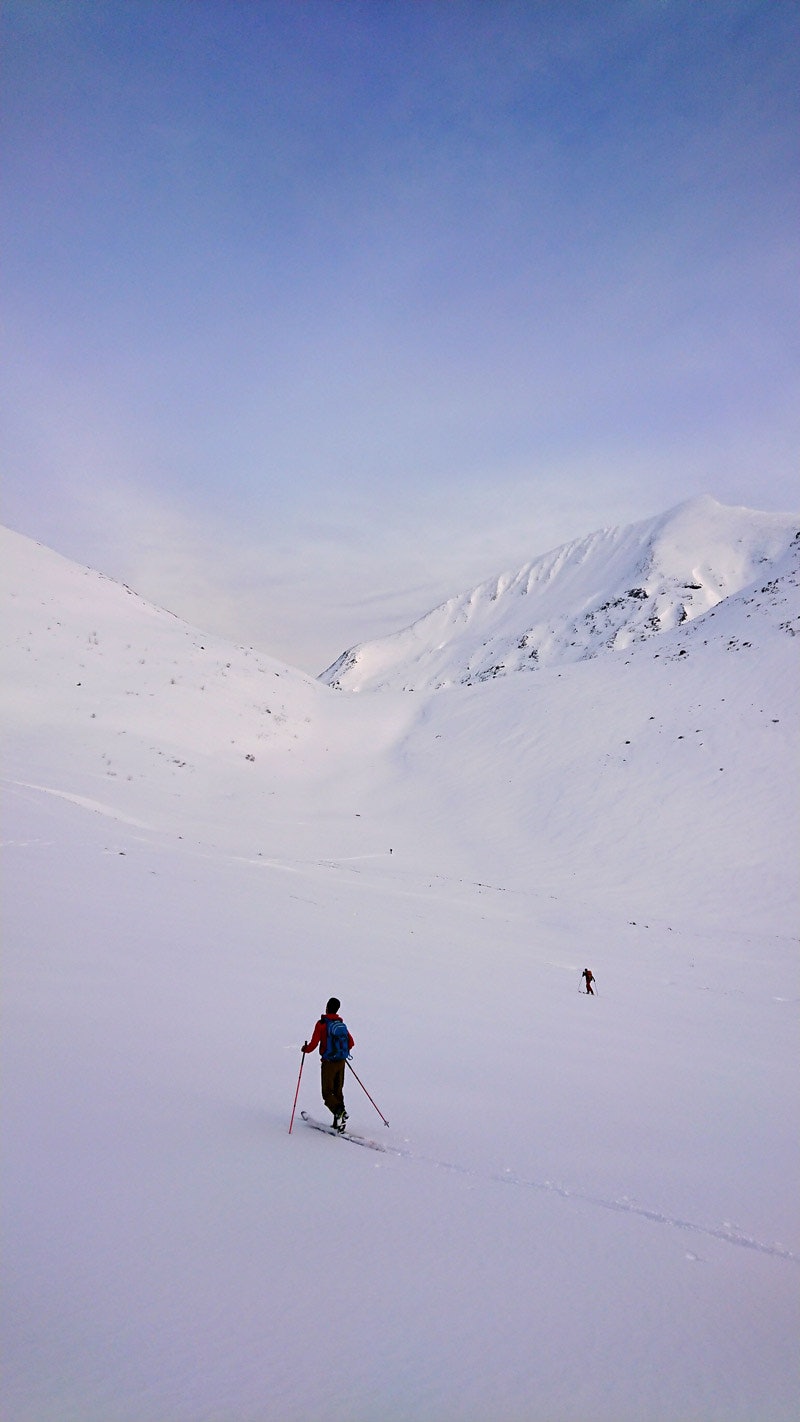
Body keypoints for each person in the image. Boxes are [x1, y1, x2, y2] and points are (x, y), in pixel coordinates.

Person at [302, 997, 354, 1130]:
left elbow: (313, 1044)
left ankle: (339, 1112)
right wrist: (341, 1052)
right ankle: (339, 1121)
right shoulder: (340, 1024)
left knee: (327, 1093)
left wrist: (305, 1049)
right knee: (338, 1091)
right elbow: (351, 1043)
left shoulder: (322, 1024)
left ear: (326, 1007)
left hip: (329, 1063)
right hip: (341, 1062)